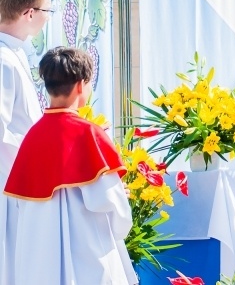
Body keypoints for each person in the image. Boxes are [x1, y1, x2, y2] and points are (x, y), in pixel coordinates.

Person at [3, 47, 136, 284]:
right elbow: (113, 207)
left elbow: (21, 205)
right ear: (80, 85)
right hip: (87, 253)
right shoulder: (88, 134)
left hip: (40, 259)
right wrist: (119, 196)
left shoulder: (31, 138)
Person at [0, 0, 53, 285]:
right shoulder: (4, 61)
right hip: (11, 182)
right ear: (29, 13)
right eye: (47, 11)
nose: (47, 19)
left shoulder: (13, 54)